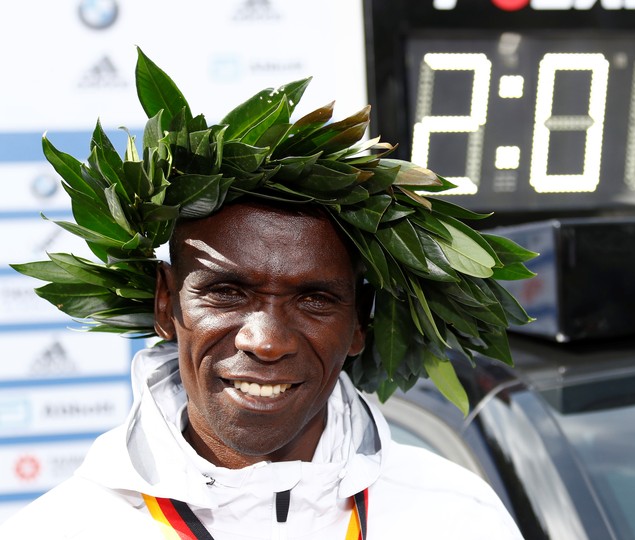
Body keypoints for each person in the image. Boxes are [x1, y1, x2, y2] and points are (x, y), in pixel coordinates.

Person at [0, 50, 530, 538]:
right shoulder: (65, 528)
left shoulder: (456, 516)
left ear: (360, 325)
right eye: (227, 292)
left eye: (314, 299)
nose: (267, 342)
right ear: (166, 303)